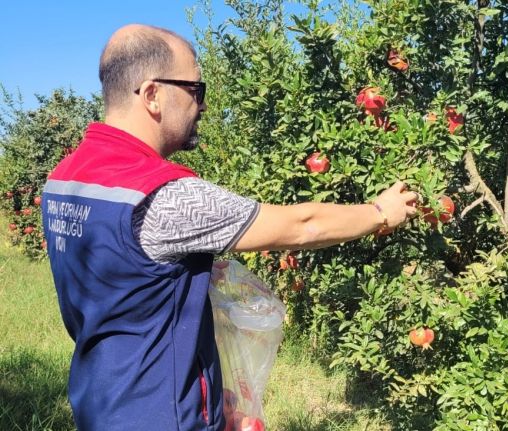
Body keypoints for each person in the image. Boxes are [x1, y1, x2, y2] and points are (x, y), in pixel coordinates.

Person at [40, 24, 417, 431]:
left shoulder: (66, 179)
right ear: (152, 95)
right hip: (164, 415)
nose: (201, 106)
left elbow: (123, 272)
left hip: (100, 401)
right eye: (195, 91)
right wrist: (380, 211)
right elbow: (299, 225)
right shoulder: (164, 195)